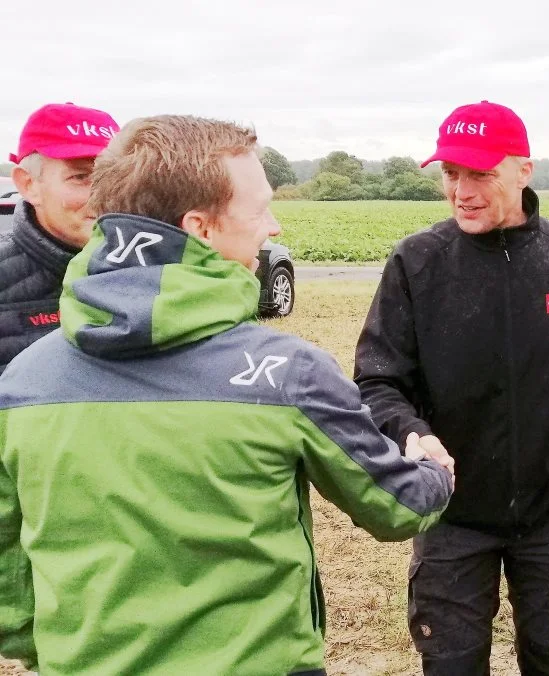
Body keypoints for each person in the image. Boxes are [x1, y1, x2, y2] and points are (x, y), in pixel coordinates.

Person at [0, 114, 454, 675]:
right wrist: (434, 471)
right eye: (259, 208)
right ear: (201, 228)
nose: (274, 226)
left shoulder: (20, 382)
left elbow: (8, 566)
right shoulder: (287, 373)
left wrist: (44, 647)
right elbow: (397, 506)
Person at [354, 100, 549, 675]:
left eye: (479, 173)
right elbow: (378, 379)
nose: (462, 190)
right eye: (450, 174)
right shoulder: (418, 261)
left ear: (523, 171)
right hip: (451, 515)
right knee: (452, 664)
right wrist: (413, 434)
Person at [0, 103, 119, 373]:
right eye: (80, 177)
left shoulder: (165, 269)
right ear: (29, 185)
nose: (105, 196)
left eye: (114, 177)